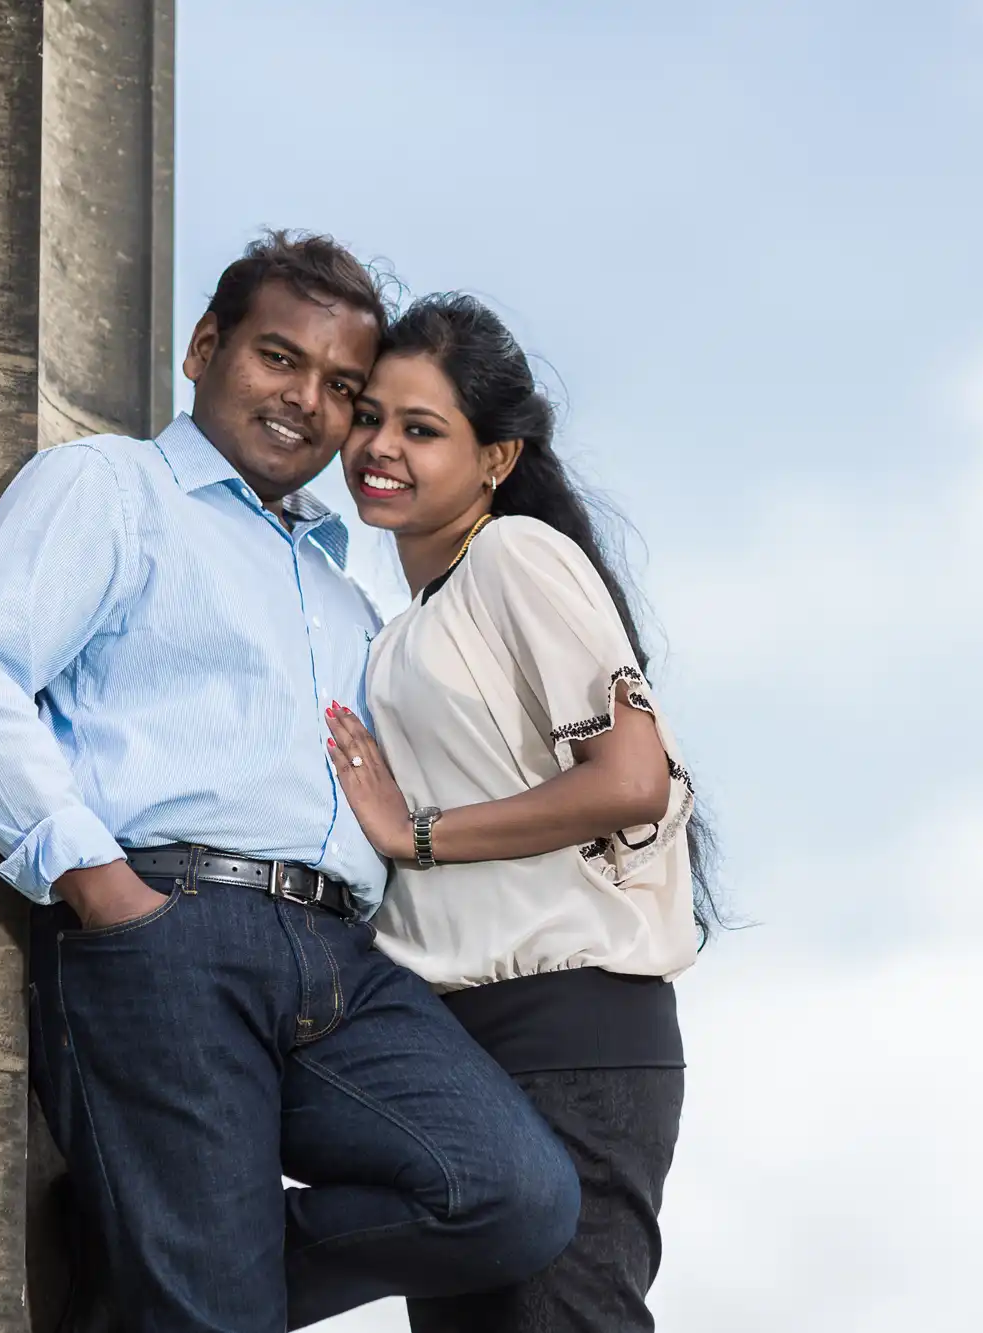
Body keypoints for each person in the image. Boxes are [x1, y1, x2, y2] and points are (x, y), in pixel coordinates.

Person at [0, 235, 579, 1333]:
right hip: (170, 937)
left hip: (341, 960)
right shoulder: (113, 487)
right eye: (277, 359)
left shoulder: (341, 591)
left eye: (342, 389)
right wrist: (101, 887)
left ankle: (140, 1250)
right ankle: (168, 1258)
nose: (306, 401)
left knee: (513, 1194)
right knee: (210, 1312)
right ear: (205, 348)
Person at [319, 294, 714, 1333]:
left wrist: (419, 833)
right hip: (453, 1048)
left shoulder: (513, 556)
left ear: (494, 458)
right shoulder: (401, 627)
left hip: (567, 1034)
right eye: (369, 416)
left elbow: (632, 778)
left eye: (420, 427)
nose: (378, 446)